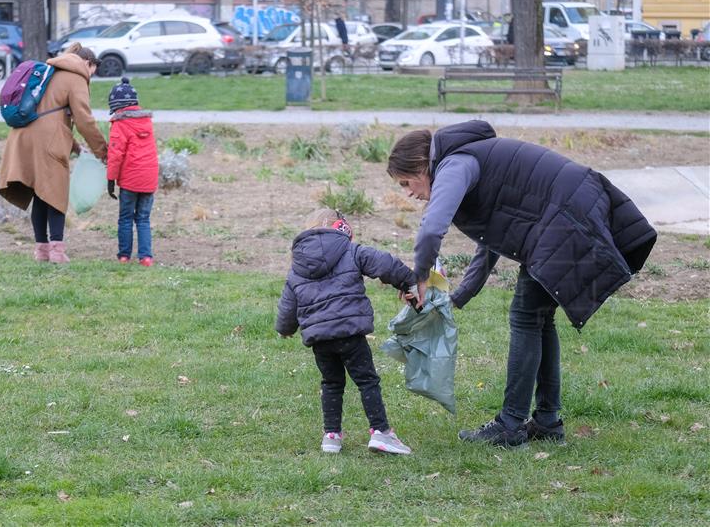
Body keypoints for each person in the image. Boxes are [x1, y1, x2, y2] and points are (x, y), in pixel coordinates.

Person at [386, 120, 656, 447]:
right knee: (538, 318)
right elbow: (494, 240)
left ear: (420, 166)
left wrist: (420, 277)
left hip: (565, 216)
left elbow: (431, 229)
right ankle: (546, 421)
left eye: (405, 182)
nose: (409, 193)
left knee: (526, 316)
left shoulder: (455, 164)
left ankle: (511, 425)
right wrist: (459, 296)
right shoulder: (468, 160)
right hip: (565, 212)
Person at [275, 208, 417, 455]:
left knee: (331, 383)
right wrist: (409, 281)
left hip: (321, 339)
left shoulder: (298, 265)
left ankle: (331, 436)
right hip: (350, 334)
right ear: (341, 227)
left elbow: (289, 302)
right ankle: (381, 431)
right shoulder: (351, 250)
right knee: (366, 380)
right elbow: (384, 264)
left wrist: (285, 329)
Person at [0, 42, 107, 264]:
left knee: (40, 193)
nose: (91, 76)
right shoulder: (76, 77)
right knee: (56, 193)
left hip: (22, 138)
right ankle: (57, 252)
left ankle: (42, 251)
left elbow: (52, 113)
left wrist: (76, 147)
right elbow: (84, 120)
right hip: (46, 142)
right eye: (93, 71)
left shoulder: (50, 71)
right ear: (87, 63)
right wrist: (103, 151)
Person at [105, 77, 159, 266]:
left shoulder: (120, 125)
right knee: (143, 218)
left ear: (117, 106)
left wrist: (111, 180)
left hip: (129, 181)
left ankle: (124, 255)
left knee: (126, 218)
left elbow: (115, 155)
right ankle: (145, 257)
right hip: (149, 179)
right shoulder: (147, 122)